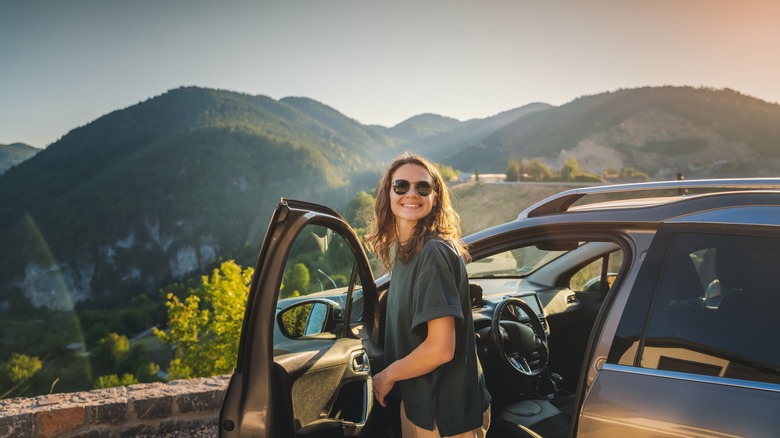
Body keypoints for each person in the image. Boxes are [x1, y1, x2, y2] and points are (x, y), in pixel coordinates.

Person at [366, 153, 491, 438]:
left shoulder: (432, 253)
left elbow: (440, 348)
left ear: (435, 197)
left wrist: (386, 376)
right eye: (401, 186)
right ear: (388, 193)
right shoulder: (406, 252)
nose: (412, 194)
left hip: (444, 417)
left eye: (423, 187)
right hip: (421, 405)